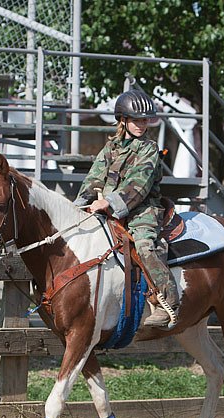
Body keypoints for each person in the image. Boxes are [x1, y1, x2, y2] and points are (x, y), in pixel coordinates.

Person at [74, 89, 178, 328]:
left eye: (145, 120)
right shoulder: (110, 148)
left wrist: (109, 202)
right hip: (109, 209)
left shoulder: (149, 149)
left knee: (144, 248)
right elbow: (93, 179)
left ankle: (166, 302)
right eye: (136, 120)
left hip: (143, 211)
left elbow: (138, 185)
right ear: (123, 120)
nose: (142, 124)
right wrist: (79, 206)